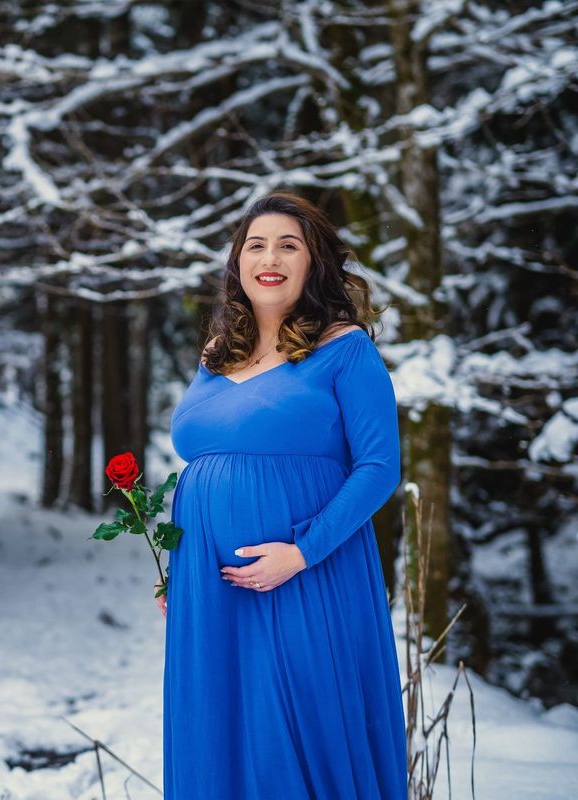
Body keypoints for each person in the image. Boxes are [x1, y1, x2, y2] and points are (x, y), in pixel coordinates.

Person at [157, 192, 406, 799]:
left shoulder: (344, 348)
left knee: (300, 726)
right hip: (210, 586)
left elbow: (379, 467)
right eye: (255, 245)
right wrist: (177, 565)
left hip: (306, 572)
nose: (269, 258)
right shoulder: (217, 356)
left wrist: (301, 553)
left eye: (288, 245)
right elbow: (203, 464)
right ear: (237, 263)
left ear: (314, 262)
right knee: (217, 723)